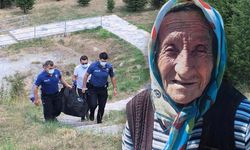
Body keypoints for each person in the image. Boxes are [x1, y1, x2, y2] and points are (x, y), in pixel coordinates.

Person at [122, 0, 250, 149]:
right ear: (154, 57)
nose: (184, 69)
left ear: (216, 59)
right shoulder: (138, 112)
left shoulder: (243, 123)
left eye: (200, 49)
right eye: (170, 49)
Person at [82, 52, 117, 124]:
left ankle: (99, 121)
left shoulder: (109, 67)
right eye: (102, 61)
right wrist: (84, 86)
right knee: (93, 104)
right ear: (99, 59)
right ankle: (92, 112)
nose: (104, 62)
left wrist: (114, 88)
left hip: (103, 89)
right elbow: (86, 76)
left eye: (105, 61)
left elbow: (112, 77)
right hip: (93, 89)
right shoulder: (93, 66)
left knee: (102, 106)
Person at [72, 55, 90, 121]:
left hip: (89, 87)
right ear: (80, 62)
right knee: (82, 101)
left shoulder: (90, 66)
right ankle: (82, 116)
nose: (85, 64)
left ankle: (87, 113)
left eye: (86, 63)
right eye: (83, 63)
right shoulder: (77, 68)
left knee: (88, 101)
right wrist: (74, 81)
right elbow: (74, 76)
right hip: (80, 87)